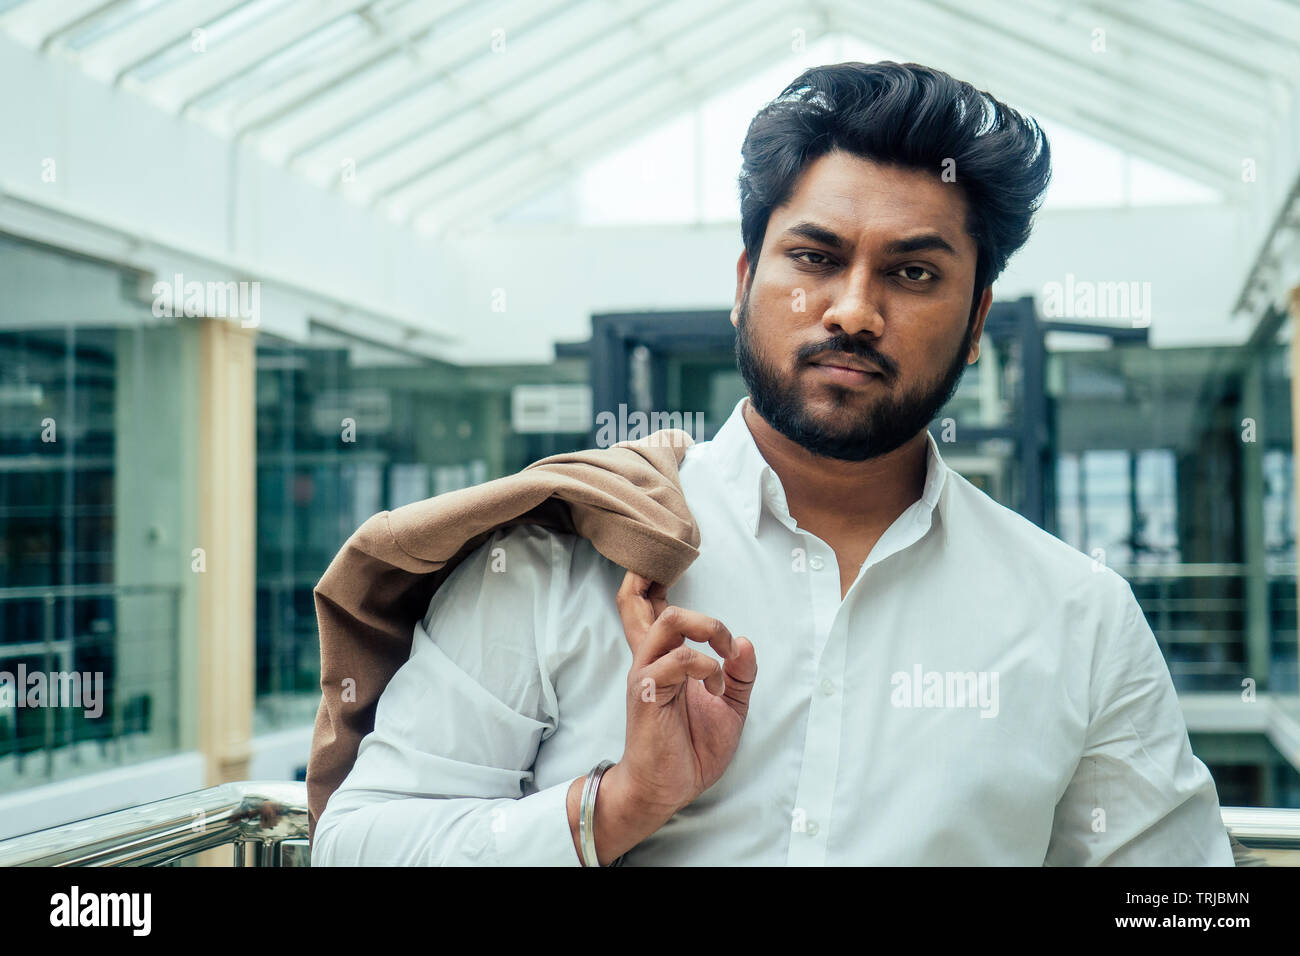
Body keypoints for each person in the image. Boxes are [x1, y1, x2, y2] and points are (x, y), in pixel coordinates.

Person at [312, 60, 1234, 866]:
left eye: (913, 273)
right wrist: (617, 806)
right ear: (744, 282)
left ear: (979, 322)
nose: (853, 311)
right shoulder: (564, 552)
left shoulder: (1077, 617)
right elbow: (360, 845)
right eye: (815, 257)